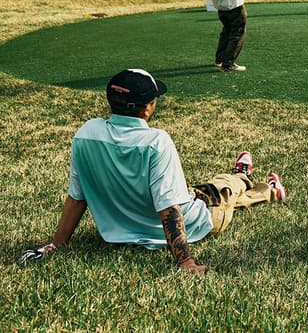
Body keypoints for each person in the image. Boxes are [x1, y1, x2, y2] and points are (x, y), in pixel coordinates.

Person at [18, 69, 286, 275]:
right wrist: (185, 261)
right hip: (197, 222)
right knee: (222, 190)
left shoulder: (86, 134)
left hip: (121, 234)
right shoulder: (156, 142)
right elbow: (168, 208)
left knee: (209, 191)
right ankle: (243, 176)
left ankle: (270, 191)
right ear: (147, 108)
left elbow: (77, 197)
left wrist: (56, 243)